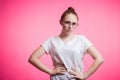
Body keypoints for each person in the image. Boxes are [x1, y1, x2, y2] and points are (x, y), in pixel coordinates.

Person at [29, 7, 104, 80]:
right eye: (67, 22)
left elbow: (99, 59)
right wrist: (51, 71)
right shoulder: (51, 41)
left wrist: (84, 76)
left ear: (77, 25)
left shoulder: (81, 40)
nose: (70, 26)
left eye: (74, 23)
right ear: (61, 22)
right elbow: (33, 58)